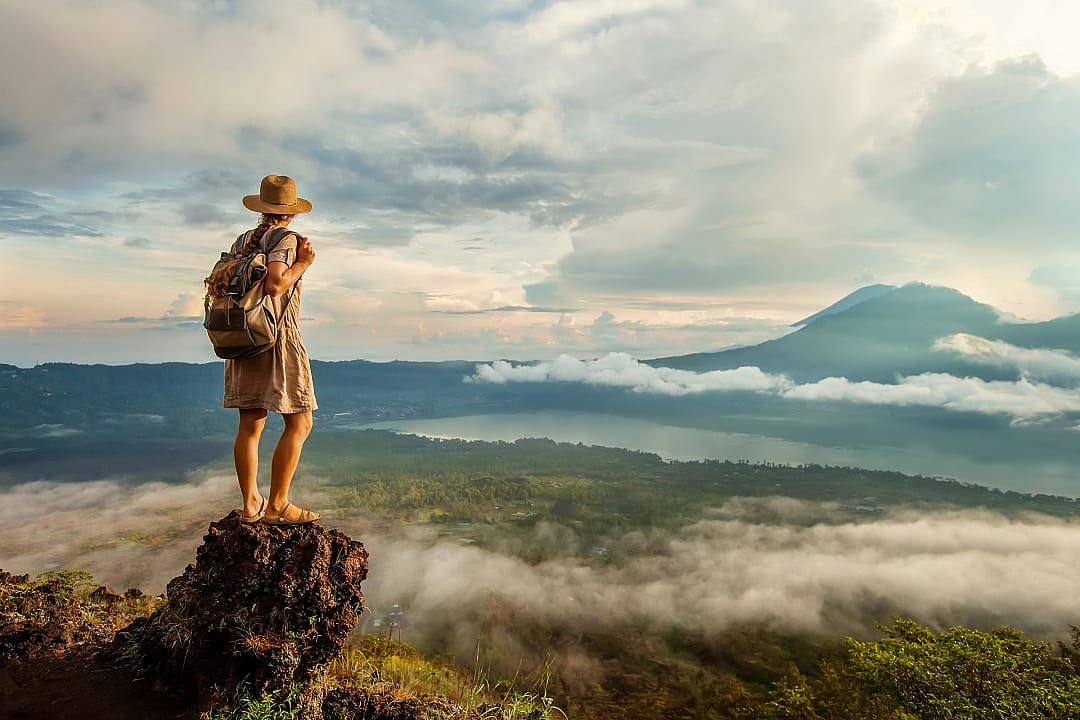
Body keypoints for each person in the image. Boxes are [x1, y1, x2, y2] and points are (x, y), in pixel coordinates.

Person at [225, 174, 320, 526]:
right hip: (276, 337)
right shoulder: (288, 240)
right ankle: (278, 502)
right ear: (291, 213)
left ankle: (251, 503)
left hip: (242, 335)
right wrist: (304, 264)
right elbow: (276, 284)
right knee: (301, 420)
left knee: (250, 421)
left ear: (262, 209)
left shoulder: (244, 240)